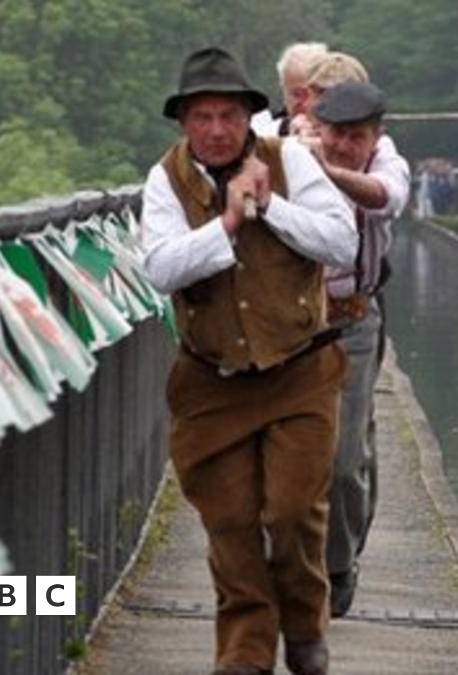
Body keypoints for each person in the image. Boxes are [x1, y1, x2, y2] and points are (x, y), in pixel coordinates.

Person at [140, 46, 356, 675]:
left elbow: (341, 241)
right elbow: (159, 269)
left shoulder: (289, 160)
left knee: (292, 512)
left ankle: (305, 624)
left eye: (228, 116)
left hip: (300, 369)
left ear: (248, 117)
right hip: (212, 380)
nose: (216, 130)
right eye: (202, 117)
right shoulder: (165, 180)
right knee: (229, 521)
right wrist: (229, 222)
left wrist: (272, 207)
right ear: (184, 122)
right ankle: (246, 651)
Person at [304, 79, 410, 618]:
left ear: (375, 136)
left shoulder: (386, 163)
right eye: (335, 135)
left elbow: (385, 199)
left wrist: (322, 171)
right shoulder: (292, 151)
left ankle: (340, 565)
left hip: (351, 325)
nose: (344, 146)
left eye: (356, 137)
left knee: (345, 462)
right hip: (290, 325)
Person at [250, 41, 329, 137]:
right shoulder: (263, 127)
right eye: (297, 94)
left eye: (315, 94)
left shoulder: (341, 132)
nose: (306, 103)